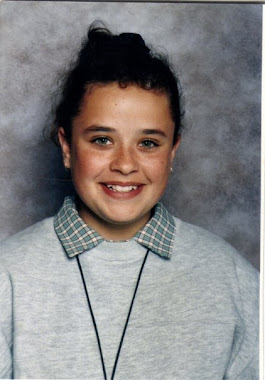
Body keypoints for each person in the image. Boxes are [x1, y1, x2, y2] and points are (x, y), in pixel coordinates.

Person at [0, 24, 258, 380]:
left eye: (148, 143)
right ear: (66, 147)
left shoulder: (233, 280)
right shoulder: (8, 276)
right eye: (103, 140)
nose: (124, 164)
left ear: (172, 151)